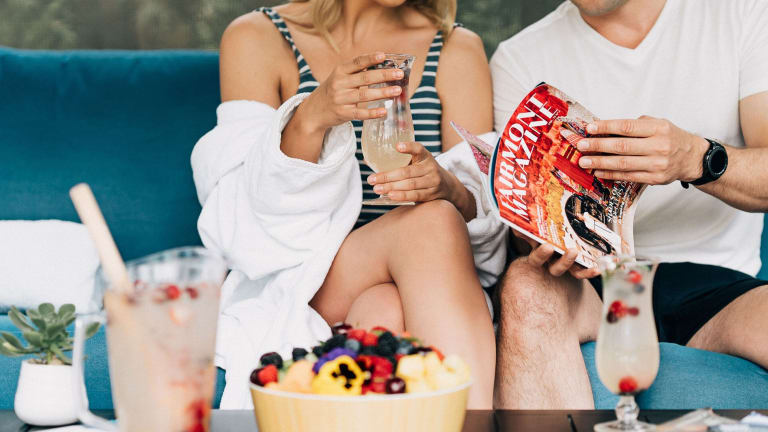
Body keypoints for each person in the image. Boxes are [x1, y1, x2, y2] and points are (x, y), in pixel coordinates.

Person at [207, 0, 498, 408]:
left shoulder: (456, 48)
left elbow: (487, 210)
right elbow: (246, 218)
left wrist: (450, 189)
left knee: (385, 307)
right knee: (430, 221)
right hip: (312, 279)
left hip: (425, 279)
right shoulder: (258, 36)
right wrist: (312, 115)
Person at [489, 0, 768, 409]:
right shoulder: (519, 57)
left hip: (720, 285)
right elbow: (516, 230)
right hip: (592, 286)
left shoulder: (742, 13)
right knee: (526, 286)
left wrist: (696, 158)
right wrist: (541, 236)